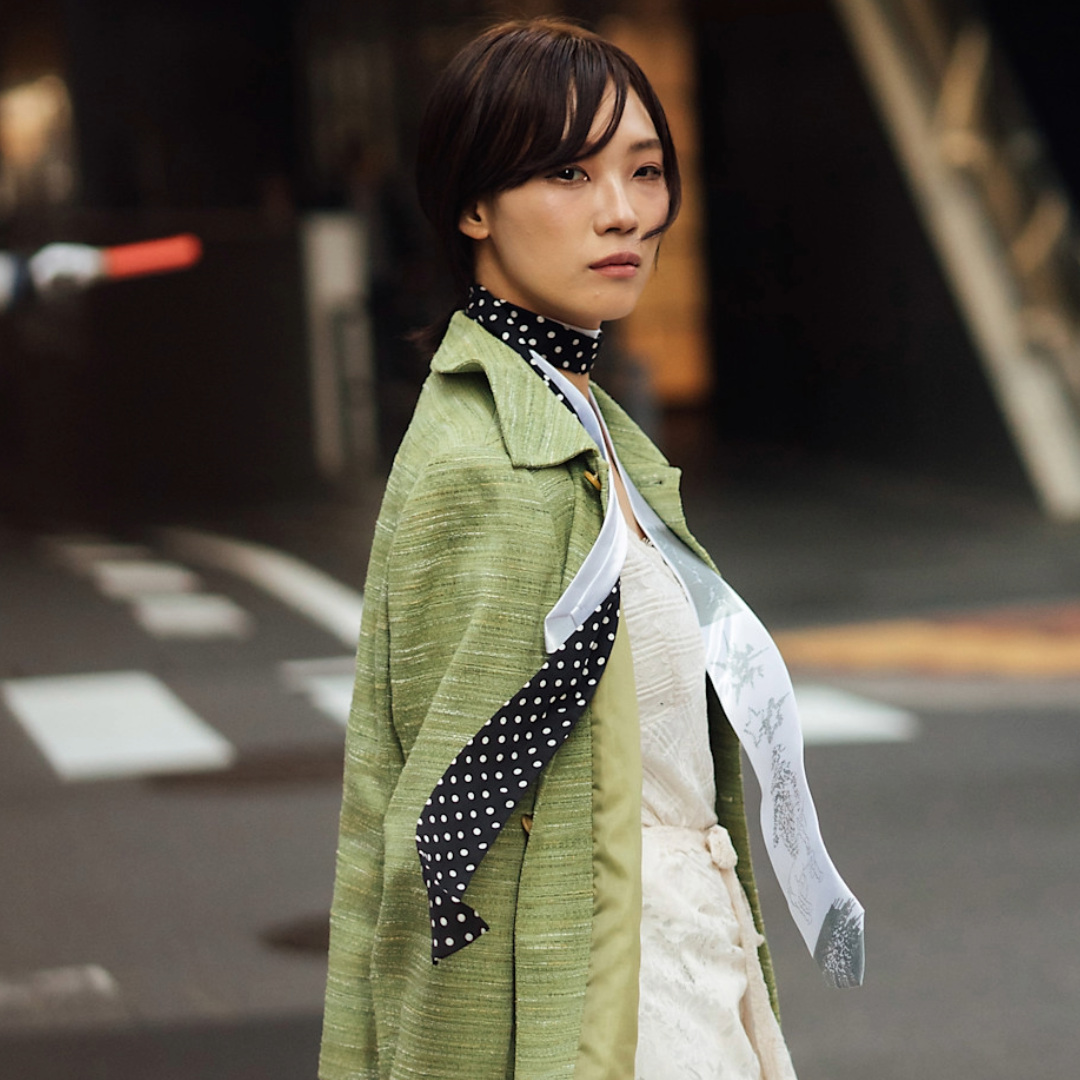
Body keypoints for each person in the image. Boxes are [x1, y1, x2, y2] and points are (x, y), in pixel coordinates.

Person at [321, 18, 862, 1080]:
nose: (624, 212)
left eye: (645, 170)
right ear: (472, 205)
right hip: (611, 1002)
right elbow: (449, 849)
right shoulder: (488, 466)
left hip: (691, 970)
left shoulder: (580, 427)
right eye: (568, 171)